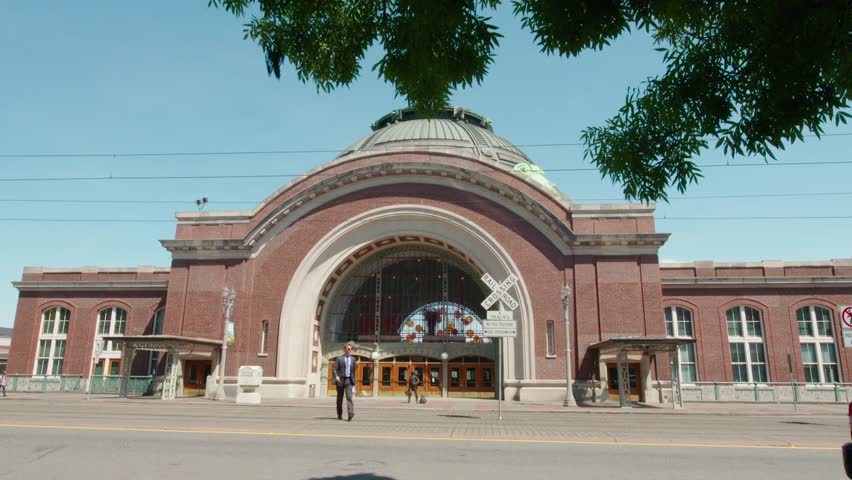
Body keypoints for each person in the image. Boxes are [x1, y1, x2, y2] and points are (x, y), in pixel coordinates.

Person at [332, 342, 356, 421]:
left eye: (351, 349)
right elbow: (334, 369)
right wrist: (336, 376)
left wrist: (353, 381)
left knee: (349, 397)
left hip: (349, 380)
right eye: (348, 349)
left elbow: (353, 371)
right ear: (345, 349)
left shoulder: (353, 359)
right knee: (340, 398)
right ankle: (339, 414)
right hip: (340, 380)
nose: (350, 350)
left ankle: (350, 413)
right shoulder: (339, 358)